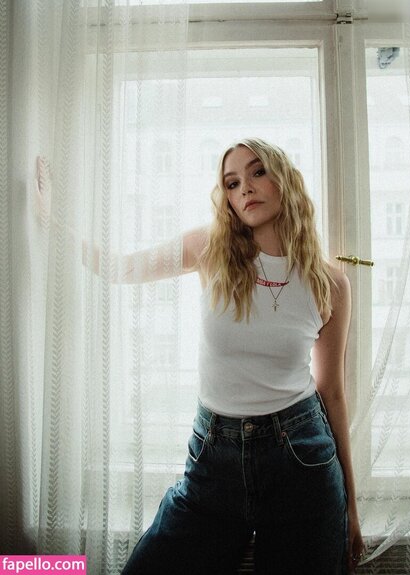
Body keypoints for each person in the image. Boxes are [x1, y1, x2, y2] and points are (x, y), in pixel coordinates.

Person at [37, 138, 364, 574]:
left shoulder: (331, 284)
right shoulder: (210, 249)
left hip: (301, 461)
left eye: (257, 172)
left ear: (285, 179)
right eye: (232, 182)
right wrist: (51, 220)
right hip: (214, 461)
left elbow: (332, 393)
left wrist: (351, 506)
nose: (245, 188)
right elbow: (120, 268)